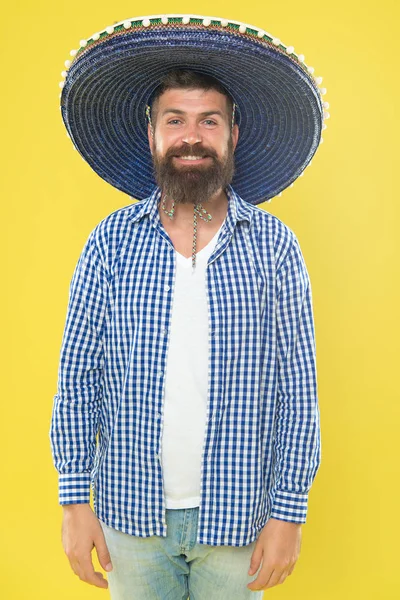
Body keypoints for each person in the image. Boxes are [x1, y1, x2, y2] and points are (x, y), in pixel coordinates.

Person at [50, 14, 326, 599]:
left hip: (239, 520)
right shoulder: (110, 241)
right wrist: (75, 503)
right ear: (152, 133)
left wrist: (289, 514)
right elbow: (76, 378)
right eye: (175, 121)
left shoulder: (275, 248)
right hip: (129, 517)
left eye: (209, 121)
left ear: (233, 136)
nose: (191, 136)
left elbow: (299, 392)